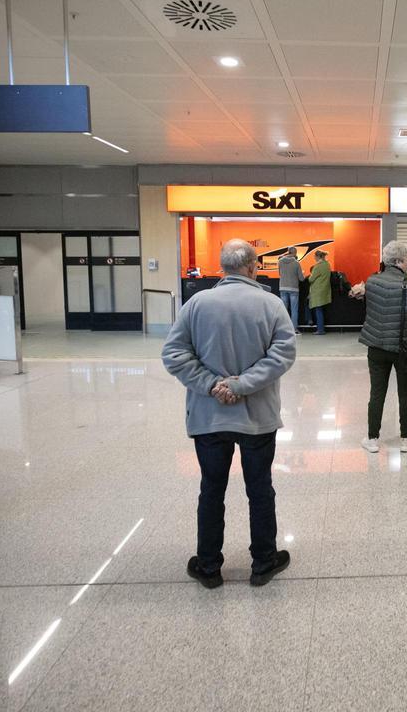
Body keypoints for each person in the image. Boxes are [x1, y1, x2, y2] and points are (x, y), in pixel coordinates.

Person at [162, 239, 297, 589]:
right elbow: (282, 355)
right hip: (258, 419)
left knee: (211, 490)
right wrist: (240, 385)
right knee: (260, 489)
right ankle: (264, 563)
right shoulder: (271, 304)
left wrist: (212, 385)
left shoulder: (196, 304)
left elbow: (174, 354)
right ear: (253, 267)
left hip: (209, 418)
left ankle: (208, 567)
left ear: (223, 267)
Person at [357, 241, 407, 454]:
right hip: (403, 348)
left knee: (377, 393)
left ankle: (372, 439)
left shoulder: (371, 281)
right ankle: (406, 439)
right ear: (397, 261)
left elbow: (369, 311)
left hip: (376, 346)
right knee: (406, 394)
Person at [277, 247, 305, 330]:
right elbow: (301, 278)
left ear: (288, 252)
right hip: (293, 288)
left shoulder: (280, 261)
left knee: (284, 310)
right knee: (294, 310)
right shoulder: (296, 263)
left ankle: (283, 329)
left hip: (283, 287)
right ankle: (294, 329)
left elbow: (280, 273)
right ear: (295, 253)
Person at [308, 250, 332, 335]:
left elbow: (311, 279)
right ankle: (321, 329)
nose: (314, 258)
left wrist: (310, 276)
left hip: (318, 290)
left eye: (314, 256)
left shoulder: (318, 266)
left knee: (318, 310)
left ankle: (320, 330)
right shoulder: (327, 265)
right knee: (321, 310)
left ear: (318, 257)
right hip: (325, 290)